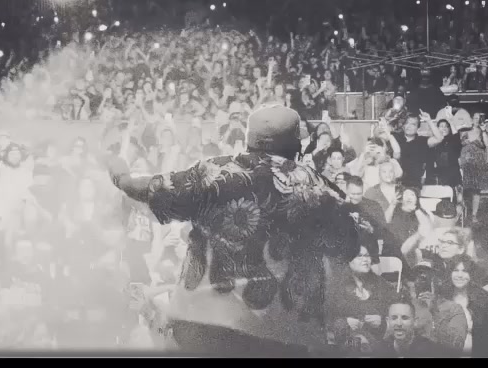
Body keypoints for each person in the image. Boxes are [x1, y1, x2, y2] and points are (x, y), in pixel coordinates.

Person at [108, 104, 360, 356]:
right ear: (296, 146)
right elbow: (348, 247)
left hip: (203, 323)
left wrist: (120, 175)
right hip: (278, 332)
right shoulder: (317, 187)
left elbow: (144, 188)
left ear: (249, 140)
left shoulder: (212, 174)